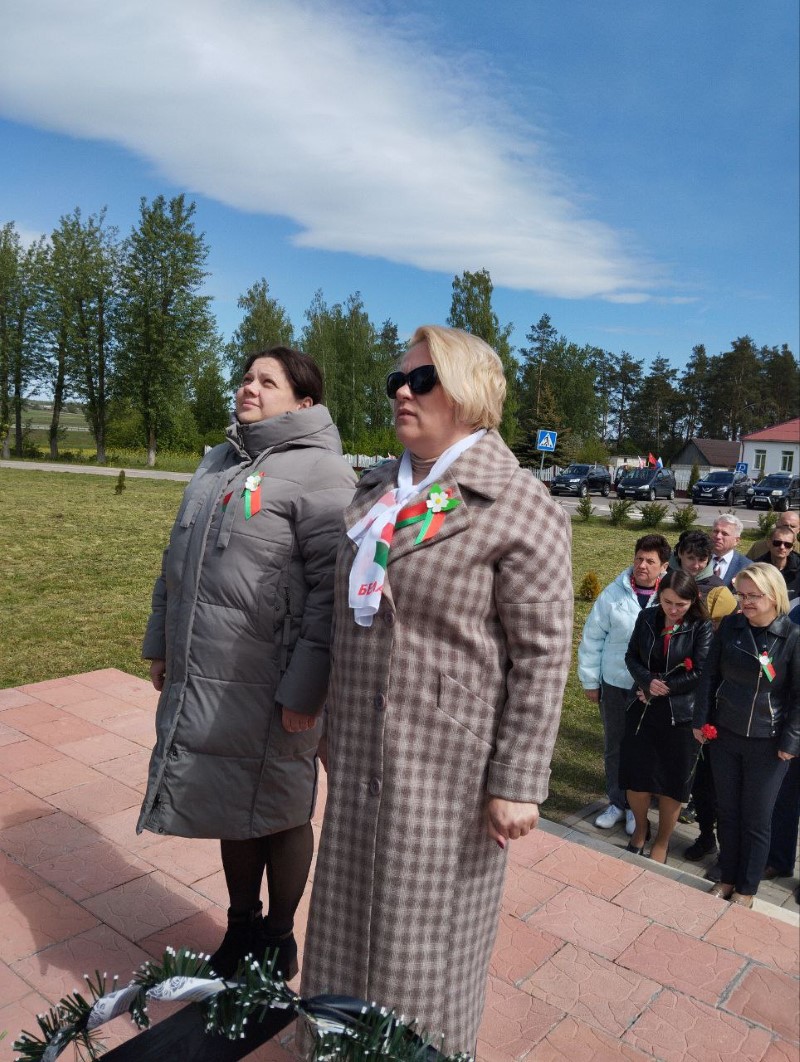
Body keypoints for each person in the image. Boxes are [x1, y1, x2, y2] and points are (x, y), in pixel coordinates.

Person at [299, 326, 573, 1056]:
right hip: (360, 749)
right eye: (397, 379)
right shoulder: (378, 489)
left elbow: (543, 655)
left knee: (423, 938)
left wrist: (518, 781)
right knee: (345, 913)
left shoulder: (517, 503)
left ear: (468, 394)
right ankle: (334, 1044)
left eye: (422, 380)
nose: (401, 391)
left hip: (448, 764)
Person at [137, 347, 356, 977]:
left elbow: (333, 591)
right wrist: (162, 643)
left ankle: (279, 939)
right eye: (246, 377)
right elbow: (176, 560)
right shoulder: (218, 462)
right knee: (233, 801)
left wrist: (306, 690)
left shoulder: (322, 472)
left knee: (281, 809)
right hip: (214, 675)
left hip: (278, 683)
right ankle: (240, 929)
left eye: (267, 381)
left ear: (304, 402)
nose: (248, 388)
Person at [694, 563, 800, 907]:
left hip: (768, 744)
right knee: (728, 811)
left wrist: (790, 741)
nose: (746, 602)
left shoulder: (792, 637)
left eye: (754, 595)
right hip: (725, 735)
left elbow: (798, 697)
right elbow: (709, 676)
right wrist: (701, 720)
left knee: (756, 818)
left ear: (774, 596)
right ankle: (727, 877)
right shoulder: (731, 626)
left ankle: (747, 889)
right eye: (741, 594)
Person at [578, 534, 671, 835]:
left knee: (645, 749)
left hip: (652, 690)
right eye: (638, 558)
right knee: (615, 745)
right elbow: (593, 638)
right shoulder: (613, 593)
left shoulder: (670, 595)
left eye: (650, 561)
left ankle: (637, 808)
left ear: (664, 566)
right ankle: (617, 803)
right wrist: (591, 680)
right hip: (615, 683)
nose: (642, 565)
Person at [620, 570, 713, 863]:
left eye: (680, 605)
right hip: (643, 706)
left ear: (693, 600)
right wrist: (647, 681)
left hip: (680, 715)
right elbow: (631, 656)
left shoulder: (701, 626)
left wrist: (664, 686)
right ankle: (641, 829)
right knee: (637, 777)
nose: (673, 610)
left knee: (673, 783)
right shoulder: (647, 618)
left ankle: (662, 841)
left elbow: (701, 671)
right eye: (667, 602)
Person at [671, 530, 737, 627]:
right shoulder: (662, 576)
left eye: (702, 560)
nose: (696, 565)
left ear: (709, 559)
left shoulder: (718, 591)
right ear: (680, 553)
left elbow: (728, 629)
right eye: (691, 558)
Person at [756, 528, 800, 600]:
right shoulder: (756, 567)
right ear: (769, 543)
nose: (782, 547)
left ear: (792, 547)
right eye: (777, 543)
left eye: (787, 544)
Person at [710, 514, 752, 587]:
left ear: (736, 540)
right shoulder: (697, 558)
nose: (718, 536)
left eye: (724, 533)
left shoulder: (747, 567)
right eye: (716, 531)